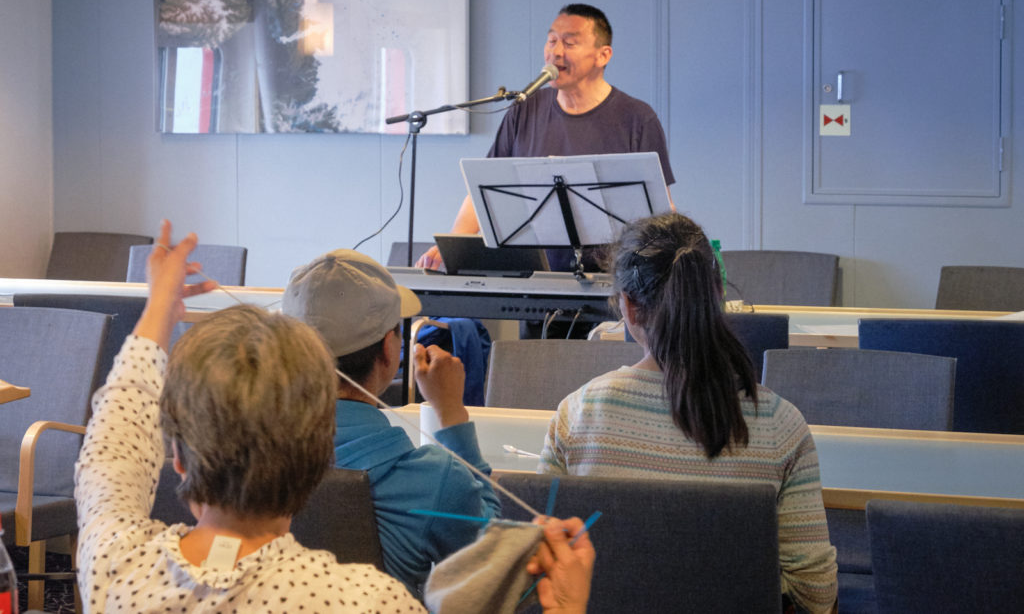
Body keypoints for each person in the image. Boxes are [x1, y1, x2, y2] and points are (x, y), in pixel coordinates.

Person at [75, 221, 594, 613]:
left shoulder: (115, 567)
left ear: (178, 461)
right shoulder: (366, 601)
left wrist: (156, 314)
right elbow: (489, 557)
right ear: (307, 463)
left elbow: (111, 454)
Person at [538, 212, 838, 613]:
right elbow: (816, 597)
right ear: (716, 296)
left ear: (628, 306)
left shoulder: (577, 415)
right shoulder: (782, 426)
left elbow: (543, 563)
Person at [282, 249, 501, 597]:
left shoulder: (242, 459)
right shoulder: (433, 478)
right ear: (390, 350)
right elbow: (494, 568)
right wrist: (451, 415)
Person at [417, 3, 676, 273]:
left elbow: (660, 207)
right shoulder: (524, 109)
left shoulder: (637, 118)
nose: (556, 52)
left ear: (603, 55)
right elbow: (480, 193)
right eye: (552, 40)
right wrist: (453, 247)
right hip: (532, 276)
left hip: (613, 281)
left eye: (570, 42)